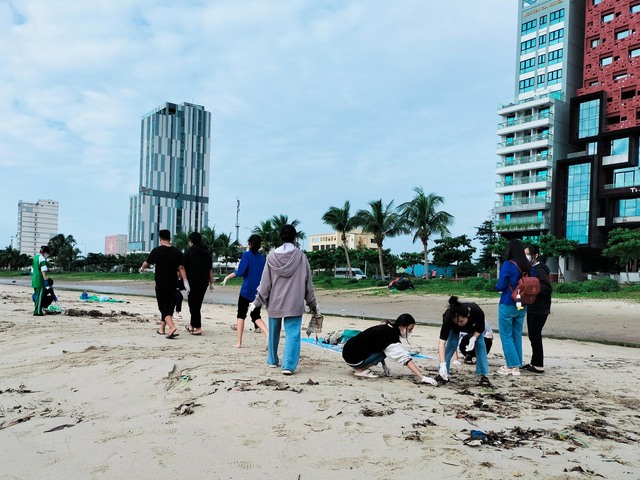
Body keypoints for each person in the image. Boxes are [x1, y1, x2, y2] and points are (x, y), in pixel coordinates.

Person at [252, 225, 317, 375]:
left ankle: (272, 360)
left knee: (274, 331)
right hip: (294, 302)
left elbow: (265, 283)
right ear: (295, 238)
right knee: (293, 334)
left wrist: (257, 301)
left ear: (281, 237)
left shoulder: (271, 257)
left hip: (275, 302)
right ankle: (288, 365)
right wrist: (312, 303)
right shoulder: (301, 257)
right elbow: (308, 284)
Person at [341, 313, 438, 385]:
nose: (410, 332)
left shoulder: (387, 328)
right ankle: (360, 370)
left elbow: (380, 346)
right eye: (410, 329)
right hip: (353, 358)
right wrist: (422, 377)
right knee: (385, 352)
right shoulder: (390, 336)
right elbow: (405, 358)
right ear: (403, 326)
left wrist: (384, 366)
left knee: (384, 350)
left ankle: (359, 367)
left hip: (348, 351)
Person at [495, 238, 537, 376]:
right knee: (516, 335)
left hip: (508, 302)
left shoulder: (508, 264)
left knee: (506, 336)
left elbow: (501, 285)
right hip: (523, 304)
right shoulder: (529, 266)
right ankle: (517, 363)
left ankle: (512, 366)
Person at [140, 229, 189, 339]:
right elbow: (181, 267)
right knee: (169, 307)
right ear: (170, 238)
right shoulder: (177, 252)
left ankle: (171, 327)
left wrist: (142, 268)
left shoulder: (156, 250)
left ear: (160, 238)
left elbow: (147, 263)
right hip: (173, 283)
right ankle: (162, 329)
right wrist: (185, 282)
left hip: (161, 283)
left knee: (162, 307)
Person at [221, 234, 268, 348]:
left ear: (250, 243)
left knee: (241, 315)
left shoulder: (246, 255)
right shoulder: (263, 258)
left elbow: (240, 271)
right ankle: (268, 334)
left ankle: (239, 342)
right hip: (258, 292)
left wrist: (227, 277)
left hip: (246, 291)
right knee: (256, 315)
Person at [437, 296, 491, 386]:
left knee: (480, 344)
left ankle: (483, 374)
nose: (459, 324)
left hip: (473, 328)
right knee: (451, 344)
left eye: (461, 321)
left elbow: (480, 329)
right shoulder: (448, 317)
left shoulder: (477, 311)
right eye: (456, 322)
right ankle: (443, 372)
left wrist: (473, 338)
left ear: (467, 316)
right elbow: (442, 342)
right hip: (453, 329)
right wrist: (442, 363)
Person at [523, 244, 553, 374]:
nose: (526, 256)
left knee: (535, 335)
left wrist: (533, 289)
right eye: (524, 254)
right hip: (533, 307)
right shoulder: (532, 269)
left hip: (539, 308)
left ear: (536, 255)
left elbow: (547, 288)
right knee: (533, 335)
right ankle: (534, 362)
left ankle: (539, 364)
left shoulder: (539, 270)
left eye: (528, 254)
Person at [182, 232, 214, 336]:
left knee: (193, 305)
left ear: (191, 241)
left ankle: (198, 327)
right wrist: (211, 283)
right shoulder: (206, 252)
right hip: (203, 282)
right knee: (197, 304)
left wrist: (184, 281)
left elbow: (182, 267)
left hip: (192, 282)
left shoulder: (189, 251)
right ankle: (191, 325)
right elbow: (210, 269)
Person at [31, 245, 51, 316]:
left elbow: (32, 270)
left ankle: (36, 310)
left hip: (34, 280)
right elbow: (43, 270)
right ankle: (38, 312)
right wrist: (45, 280)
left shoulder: (35, 257)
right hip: (40, 281)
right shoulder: (42, 259)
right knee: (39, 297)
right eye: (47, 253)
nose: (47, 255)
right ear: (45, 252)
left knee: (37, 296)